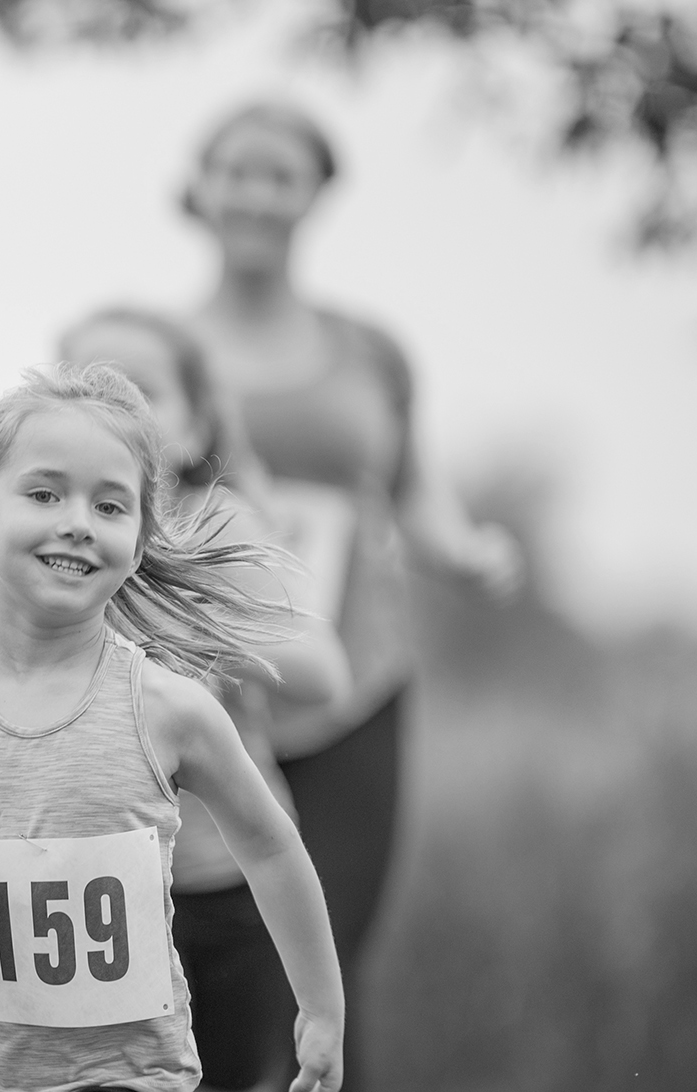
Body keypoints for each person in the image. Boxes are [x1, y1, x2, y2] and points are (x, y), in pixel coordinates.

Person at [0, 363, 345, 1092]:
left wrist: (322, 1010)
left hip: (141, 1079)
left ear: (140, 540)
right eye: (44, 494)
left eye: (109, 505)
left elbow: (270, 847)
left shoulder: (173, 708)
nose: (77, 521)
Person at [181, 100, 523, 1091]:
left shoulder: (370, 351)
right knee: (225, 964)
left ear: (315, 196)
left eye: (280, 174)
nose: (255, 193)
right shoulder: (153, 350)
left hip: (352, 686)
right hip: (203, 695)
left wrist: (465, 550)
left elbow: (412, 485)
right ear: (200, 186)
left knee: (328, 951)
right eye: (236, 170)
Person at [60, 305, 351, 1092]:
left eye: (141, 390)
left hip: (225, 882)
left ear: (193, 427)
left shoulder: (216, 524)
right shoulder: (53, 536)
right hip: (92, 887)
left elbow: (323, 672)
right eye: (87, 387)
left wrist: (183, 619)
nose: (114, 409)